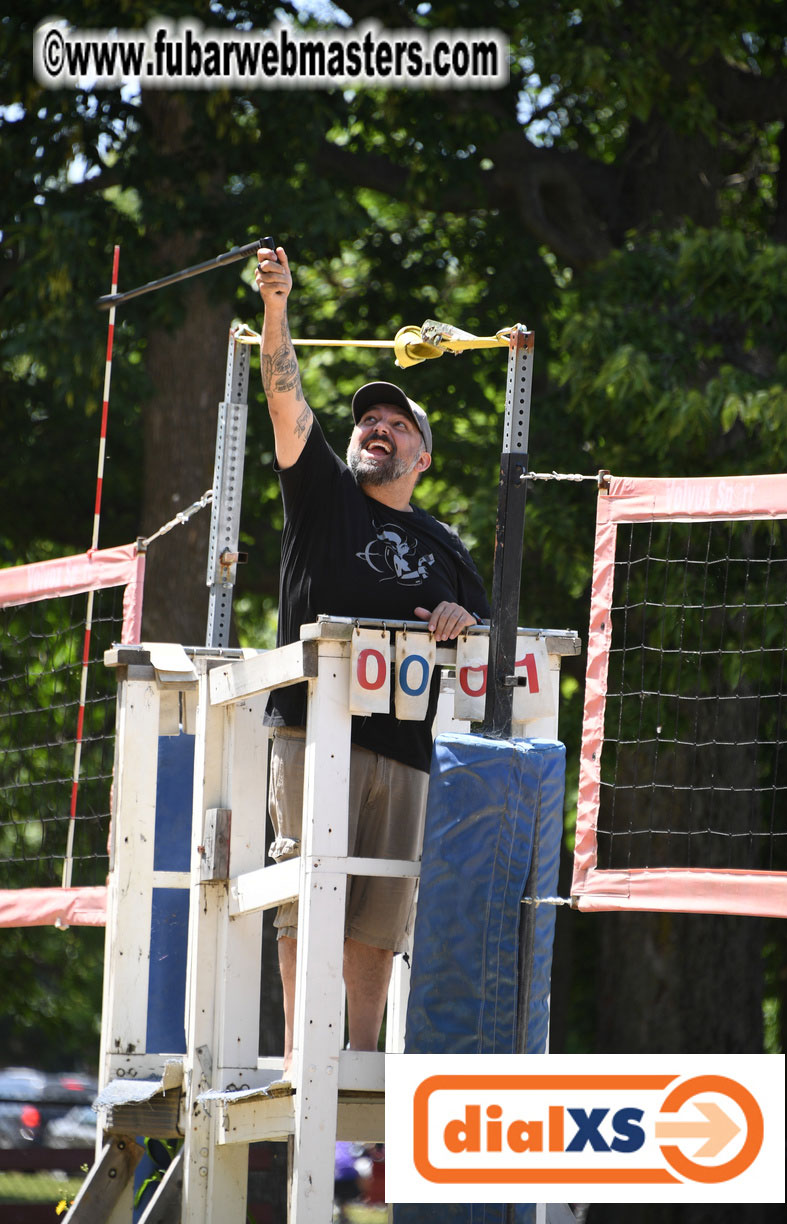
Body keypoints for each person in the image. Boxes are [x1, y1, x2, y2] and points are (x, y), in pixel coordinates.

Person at [255, 245, 489, 1072]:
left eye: (397, 424)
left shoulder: (446, 544)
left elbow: (488, 644)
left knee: (379, 916)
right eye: (368, 421)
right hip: (313, 731)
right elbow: (285, 398)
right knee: (306, 894)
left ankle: (357, 1061)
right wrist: (277, 308)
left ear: (422, 458)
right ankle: (300, 1058)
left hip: (407, 747)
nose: (377, 428)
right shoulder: (322, 496)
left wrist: (465, 618)